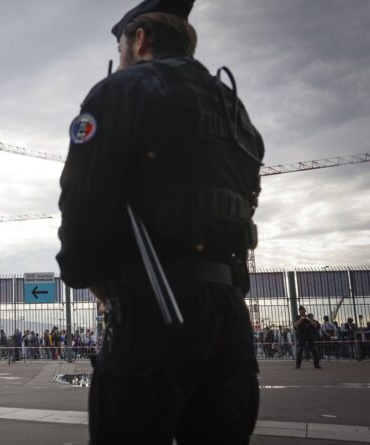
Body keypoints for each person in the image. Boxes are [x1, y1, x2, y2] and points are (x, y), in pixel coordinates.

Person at [56, 0, 264, 442]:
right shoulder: (233, 108)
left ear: (140, 39)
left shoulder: (122, 90)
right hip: (227, 310)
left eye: (121, 43)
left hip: (154, 304)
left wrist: (88, 276)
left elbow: (82, 196)